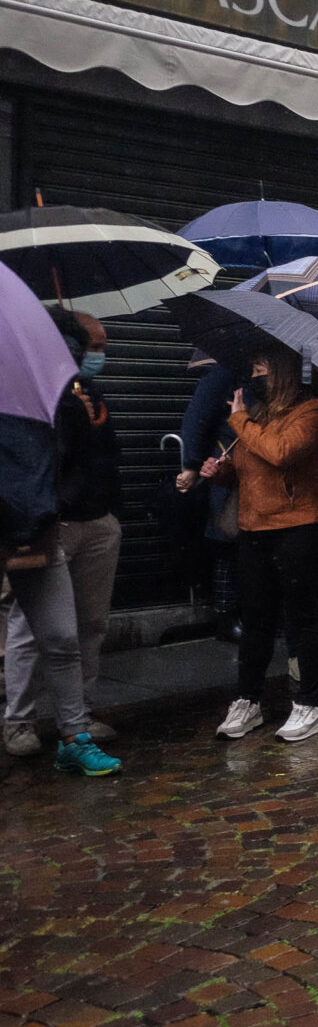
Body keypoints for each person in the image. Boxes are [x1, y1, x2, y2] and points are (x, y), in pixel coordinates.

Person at [5, 309, 123, 760]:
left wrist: (113, 512)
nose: (97, 355)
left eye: (100, 347)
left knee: (89, 624)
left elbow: (105, 453)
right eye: (90, 346)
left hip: (98, 520)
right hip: (54, 522)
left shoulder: (90, 391)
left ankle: (78, 716)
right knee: (32, 628)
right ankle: (19, 720)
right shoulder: (31, 389)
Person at [206, 348, 318, 744]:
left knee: (303, 618)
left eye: (262, 367)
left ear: (283, 371)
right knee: (257, 621)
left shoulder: (313, 411)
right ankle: (248, 700)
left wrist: (239, 419)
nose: (255, 374)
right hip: (254, 527)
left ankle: (310, 704)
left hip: (299, 526)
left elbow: (280, 453)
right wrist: (222, 471)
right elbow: (253, 467)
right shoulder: (260, 415)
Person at [177, 361, 242, 642]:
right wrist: (191, 465)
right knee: (227, 542)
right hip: (226, 469)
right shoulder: (224, 371)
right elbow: (198, 416)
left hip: (257, 470)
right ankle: (227, 617)